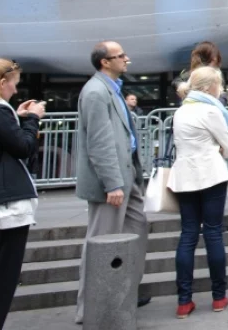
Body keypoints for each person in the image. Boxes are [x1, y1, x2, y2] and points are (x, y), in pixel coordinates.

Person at [75, 41, 149, 323]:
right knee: (101, 241)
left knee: (136, 229)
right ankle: (90, 307)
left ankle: (123, 295)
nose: (127, 59)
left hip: (127, 175)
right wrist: (112, 184)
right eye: (120, 56)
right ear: (105, 62)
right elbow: (99, 142)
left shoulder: (112, 90)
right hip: (113, 182)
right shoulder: (95, 92)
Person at [0, 56, 44, 330]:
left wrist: (16, 119)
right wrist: (32, 120)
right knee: (0, 282)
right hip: (4, 206)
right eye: (14, 85)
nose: (16, 91)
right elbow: (22, 147)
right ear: (2, 82)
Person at [170, 67, 228, 317]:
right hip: (211, 174)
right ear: (209, 87)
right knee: (213, 233)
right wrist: (218, 148)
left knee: (187, 234)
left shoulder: (180, 111)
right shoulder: (211, 111)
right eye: (219, 85)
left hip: (184, 176)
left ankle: (184, 300)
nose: (221, 89)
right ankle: (219, 296)